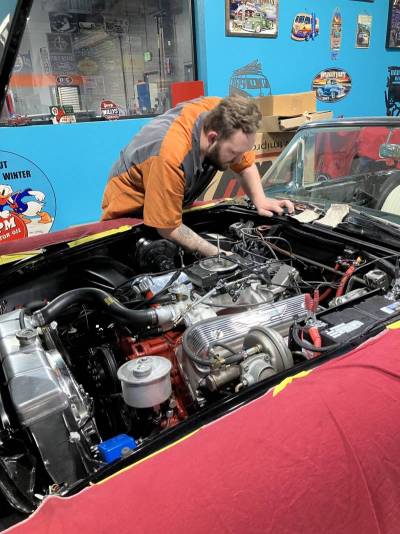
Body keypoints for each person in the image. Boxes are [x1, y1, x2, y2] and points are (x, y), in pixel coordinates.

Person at [101, 95, 294, 257]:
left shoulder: (223, 115)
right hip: (132, 213)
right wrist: (221, 255)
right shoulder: (170, 156)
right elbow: (168, 227)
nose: (239, 159)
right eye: (234, 153)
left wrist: (260, 200)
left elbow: (245, 164)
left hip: (170, 202)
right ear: (212, 137)